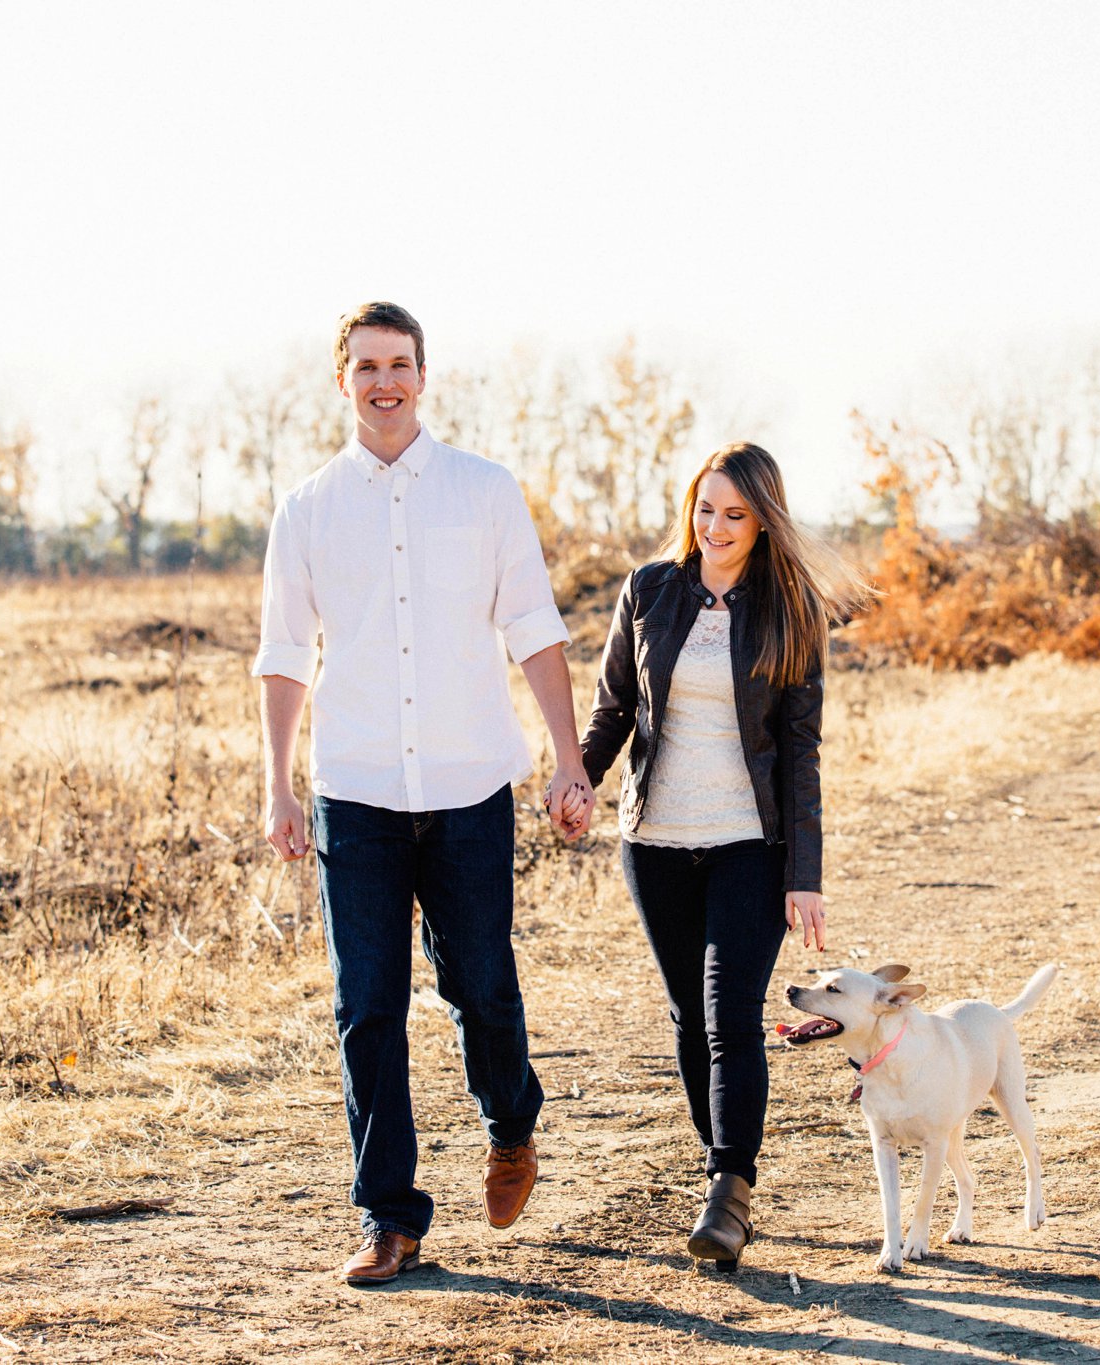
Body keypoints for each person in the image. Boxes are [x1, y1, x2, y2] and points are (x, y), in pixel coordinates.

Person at [253, 302, 595, 1289]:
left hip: (466, 786)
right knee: (367, 1008)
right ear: (342, 381)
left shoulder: (483, 494)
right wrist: (276, 784)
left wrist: (567, 761)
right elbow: (283, 656)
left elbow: (534, 629)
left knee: (479, 985)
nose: (383, 382)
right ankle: (388, 1217)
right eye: (365, 367)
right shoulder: (307, 510)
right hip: (353, 791)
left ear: (422, 374)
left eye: (398, 364)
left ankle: (509, 1121)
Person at [577, 441, 869, 1269]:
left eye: (735, 514)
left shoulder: (791, 609)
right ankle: (726, 1172)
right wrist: (578, 779)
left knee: (728, 1015)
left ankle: (728, 1189)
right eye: (706, 508)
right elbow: (614, 708)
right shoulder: (651, 589)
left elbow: (802, 753)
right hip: (656, 842)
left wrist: (804, 876)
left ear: (763, 519)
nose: (716, 526)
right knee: (686, 1020)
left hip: (749, 841)